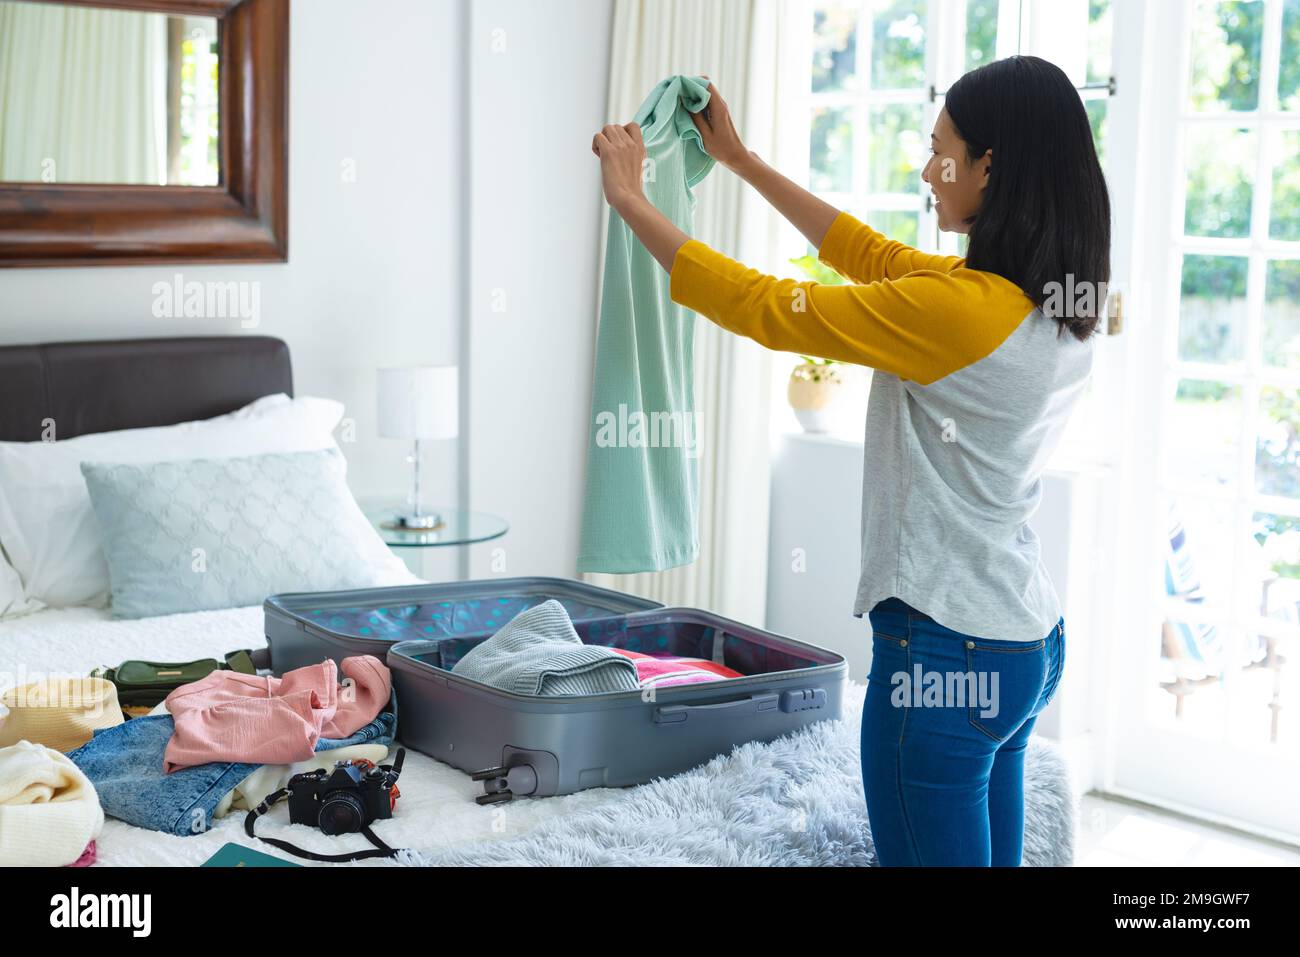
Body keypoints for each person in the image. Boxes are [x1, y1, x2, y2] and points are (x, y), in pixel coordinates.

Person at [591, 56, 1110, 866]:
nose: (926, 169)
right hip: (1024, 643)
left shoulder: (956, 311)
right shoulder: (1046, 301)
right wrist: (740, 161)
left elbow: (763, 306)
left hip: (946, 653)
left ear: (989, 165)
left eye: (940, 150)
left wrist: (630, 201)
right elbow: (867, 254)